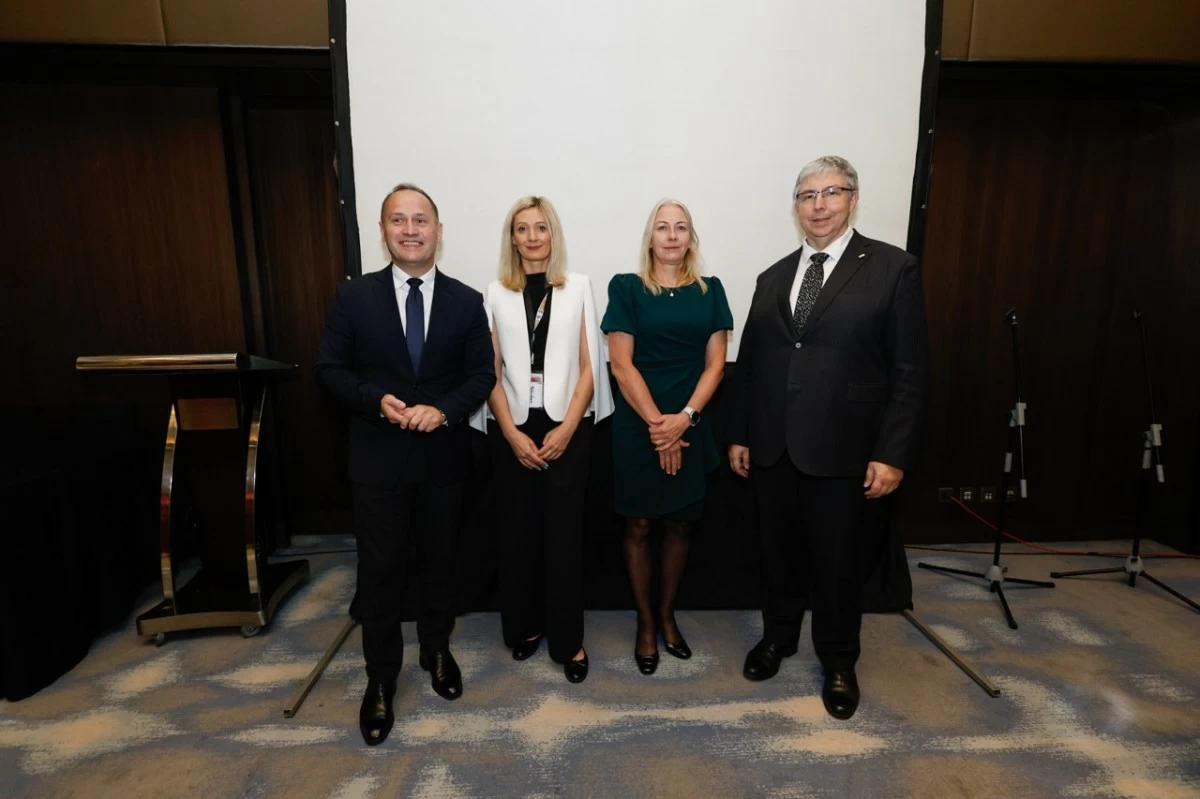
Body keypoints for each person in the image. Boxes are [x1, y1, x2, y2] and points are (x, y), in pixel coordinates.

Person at [730, 156, 929, 720]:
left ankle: (839, 660)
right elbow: (752, 365)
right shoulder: (773, 276)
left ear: (853, 199)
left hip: (847, 450)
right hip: (773, 448)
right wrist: (741, 434)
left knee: (838, 563)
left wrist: (892, 453)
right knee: (778, 556)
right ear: (795, 206)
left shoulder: (892, 268)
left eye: (831, 193)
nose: (818, 206)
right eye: (807, 196)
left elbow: (910, 370)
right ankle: (778, 639)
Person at [315, 183, 494, 746]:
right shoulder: (354, 298)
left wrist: (444, 410)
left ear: (438, 231)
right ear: (383, 230)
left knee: (442, 563)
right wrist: (376, 401)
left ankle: (436, 651)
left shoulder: (466, 301)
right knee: (380, 572)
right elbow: (329, 369)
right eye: (399, 220)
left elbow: (482, 375)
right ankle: (381, 678)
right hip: (377, 460)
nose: (410, 230)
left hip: (443, 459)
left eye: (421, 220)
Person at [473, 196, 613, 683]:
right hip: (512, 427)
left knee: (563, 538)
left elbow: (591, 365)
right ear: (512, 239)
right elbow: (488, 370)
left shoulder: (578, 287)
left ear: (553, 235)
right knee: (518, 535)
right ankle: (526, 626)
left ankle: (569, 641)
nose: (532, 237)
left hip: (567, 426)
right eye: (522, 229)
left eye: (541, 228)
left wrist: (569, 427)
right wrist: (511, 433)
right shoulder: (495, 293)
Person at [602, 199, 733, 675]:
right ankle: (644, 623)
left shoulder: (711, 290)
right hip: (640, 424)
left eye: (681, 227)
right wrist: (661, 426)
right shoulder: (627, 287)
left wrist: (685, 419)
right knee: (639, 526)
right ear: (650, 237)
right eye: (663, 227)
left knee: (680, 524)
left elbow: (716, 366)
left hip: (691, 421)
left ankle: (666, 615)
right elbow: (621, 365)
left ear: (690, 238)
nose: (672, 235)